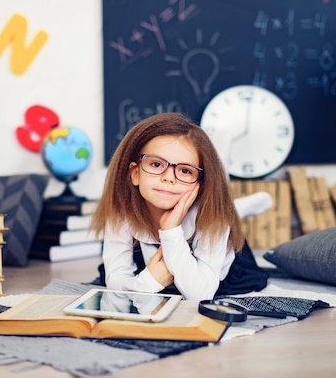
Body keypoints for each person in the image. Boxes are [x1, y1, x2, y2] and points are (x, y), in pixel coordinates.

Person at [90, 112, 271, 301]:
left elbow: (200, 295)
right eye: (156, 164)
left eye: (185, 170)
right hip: (154, 258)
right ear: (135, 173)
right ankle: (235, 203)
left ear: (200, 183)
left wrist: (170, 231)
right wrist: (149, 281)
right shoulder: (121, 212)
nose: (168, 177)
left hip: (216, 265)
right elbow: (115, 282)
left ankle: (231, 199)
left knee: (221, 208)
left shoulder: (215, 219)